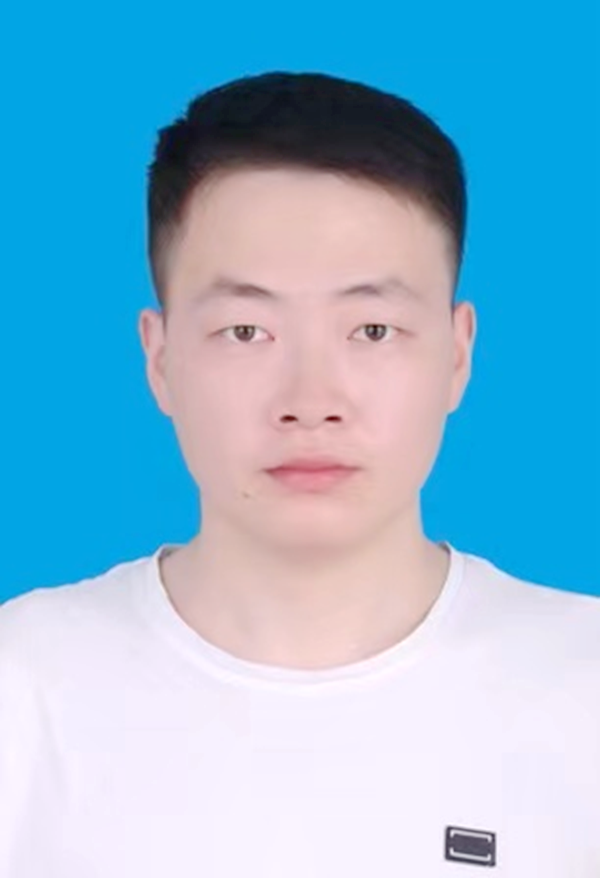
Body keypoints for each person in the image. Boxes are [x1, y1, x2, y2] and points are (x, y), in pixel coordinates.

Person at [0, 71, 598, 878]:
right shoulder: (23, 686)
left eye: (372, 329)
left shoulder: (583, 687)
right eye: (247, 331)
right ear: (160, 357)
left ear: (458, 354)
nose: (311, 402)